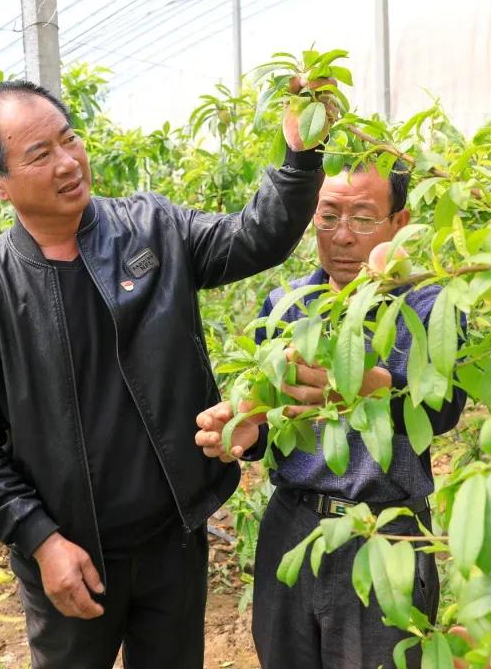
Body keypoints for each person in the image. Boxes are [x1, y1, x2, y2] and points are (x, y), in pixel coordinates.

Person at [0, 79, 325, 669]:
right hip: (71, 556)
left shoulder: (152, 228)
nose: (68, 162)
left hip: (173, 537)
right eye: (40, 155)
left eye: (69, 139)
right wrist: (41, 540)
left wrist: (300, 156)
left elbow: (255, 238)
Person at [195, 163, 467, 669]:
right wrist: (250, 432)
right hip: (292, 525)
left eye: (363, 218)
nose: (342, 236)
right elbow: (276, 418)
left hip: (384, 530)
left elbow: (442, 409)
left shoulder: (432, 306)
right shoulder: (286, 306)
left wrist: (375, 389)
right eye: (327, 216)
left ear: (399, 222)